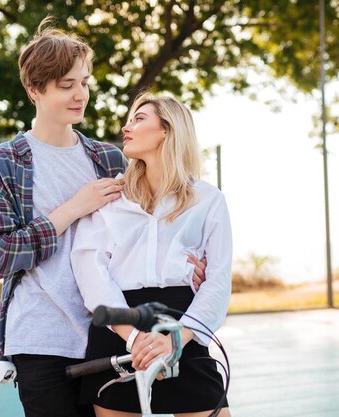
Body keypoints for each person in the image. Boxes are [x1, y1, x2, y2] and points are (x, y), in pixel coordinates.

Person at [0, 19, 207, 417]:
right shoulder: (1, 162)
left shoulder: (109, 159)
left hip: (109, 334)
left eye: (84, 81)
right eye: (67, 85)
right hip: (41, 339)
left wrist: (189, 268)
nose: (80, 94)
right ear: (35, 89)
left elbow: (149, 233)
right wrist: (71, 210)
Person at [71, 92, 233, 417]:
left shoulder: (208, 200)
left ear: (167, 130)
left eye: (139, 118)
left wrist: (177, 339)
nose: (126, 127)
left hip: (184, 330)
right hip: (117, 329)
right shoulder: (109, 197)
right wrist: (134, 339)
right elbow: (90, 272)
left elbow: (218, 281)